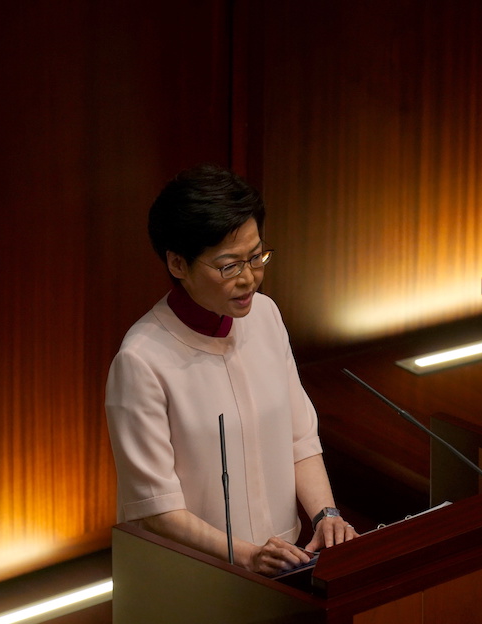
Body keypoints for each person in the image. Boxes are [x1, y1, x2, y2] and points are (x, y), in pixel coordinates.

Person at [105, 164, 358, 576]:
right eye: (229, 266)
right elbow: (156, 507)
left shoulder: (266, 316)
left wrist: (326, 514)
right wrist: (246, 555)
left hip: (284, 560)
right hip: (198, 574)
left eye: (256, 257)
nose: (249, 279)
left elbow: (298, 437)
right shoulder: (141, 361)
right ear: (178, 264)